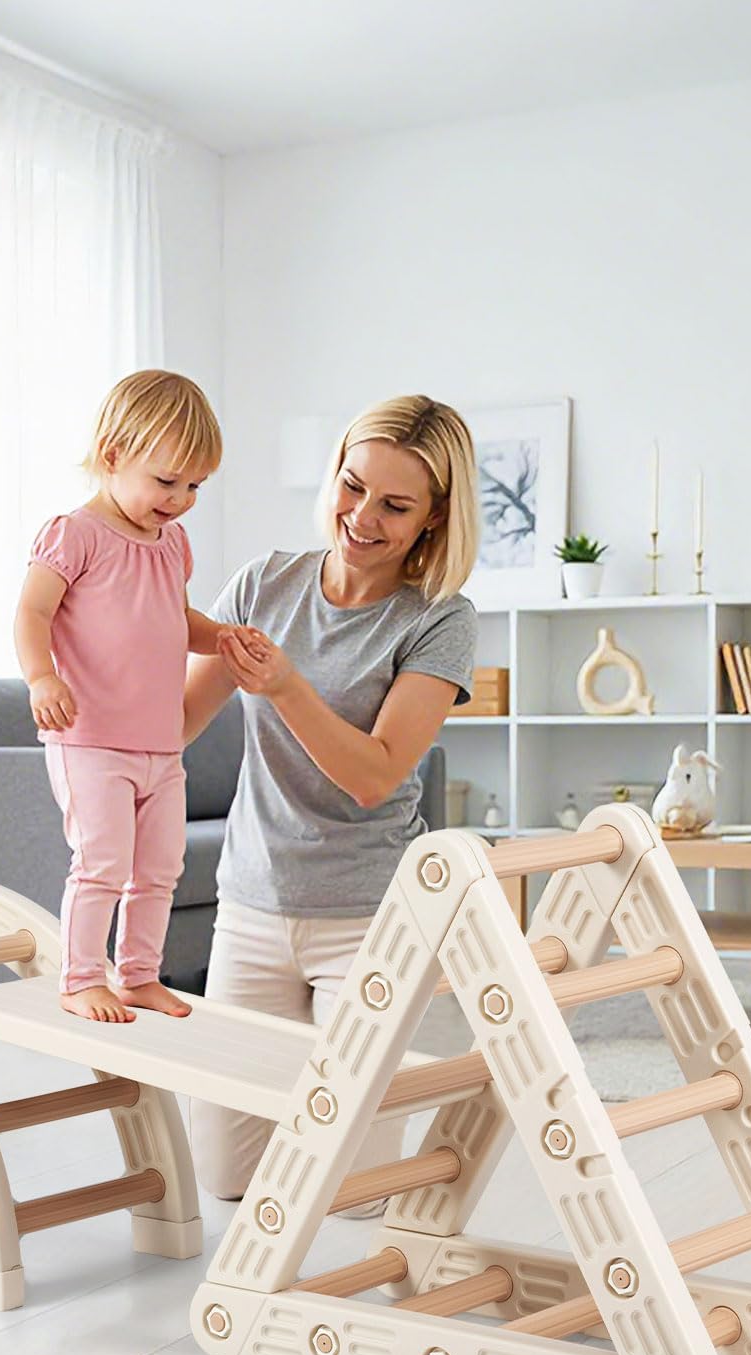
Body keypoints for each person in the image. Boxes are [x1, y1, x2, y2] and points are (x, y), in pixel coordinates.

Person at [183, 394, 480, 1199]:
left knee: (357, 1192)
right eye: (353, 486)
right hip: (251, 907)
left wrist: (286, 685)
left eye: (395, 505)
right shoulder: (265, 583)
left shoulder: (439, 620)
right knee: (226, 1179)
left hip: (366, 918)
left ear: (434, 516)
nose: (362, 517)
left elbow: (376, 773)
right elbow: (177, 721)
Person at [14, 369, 247, 1025]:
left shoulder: (172, 544)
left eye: (195, 486)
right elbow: (32, 613)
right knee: (102, 864)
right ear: (113, 456)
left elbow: (175, 619)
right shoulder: (75, 533)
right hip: (91, 741)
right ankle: (81, 978)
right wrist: (41, 677)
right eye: (167, 481)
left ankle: (139, 975)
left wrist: (222, 637)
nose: (181, 499)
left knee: (161, 869)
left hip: (160, 747)